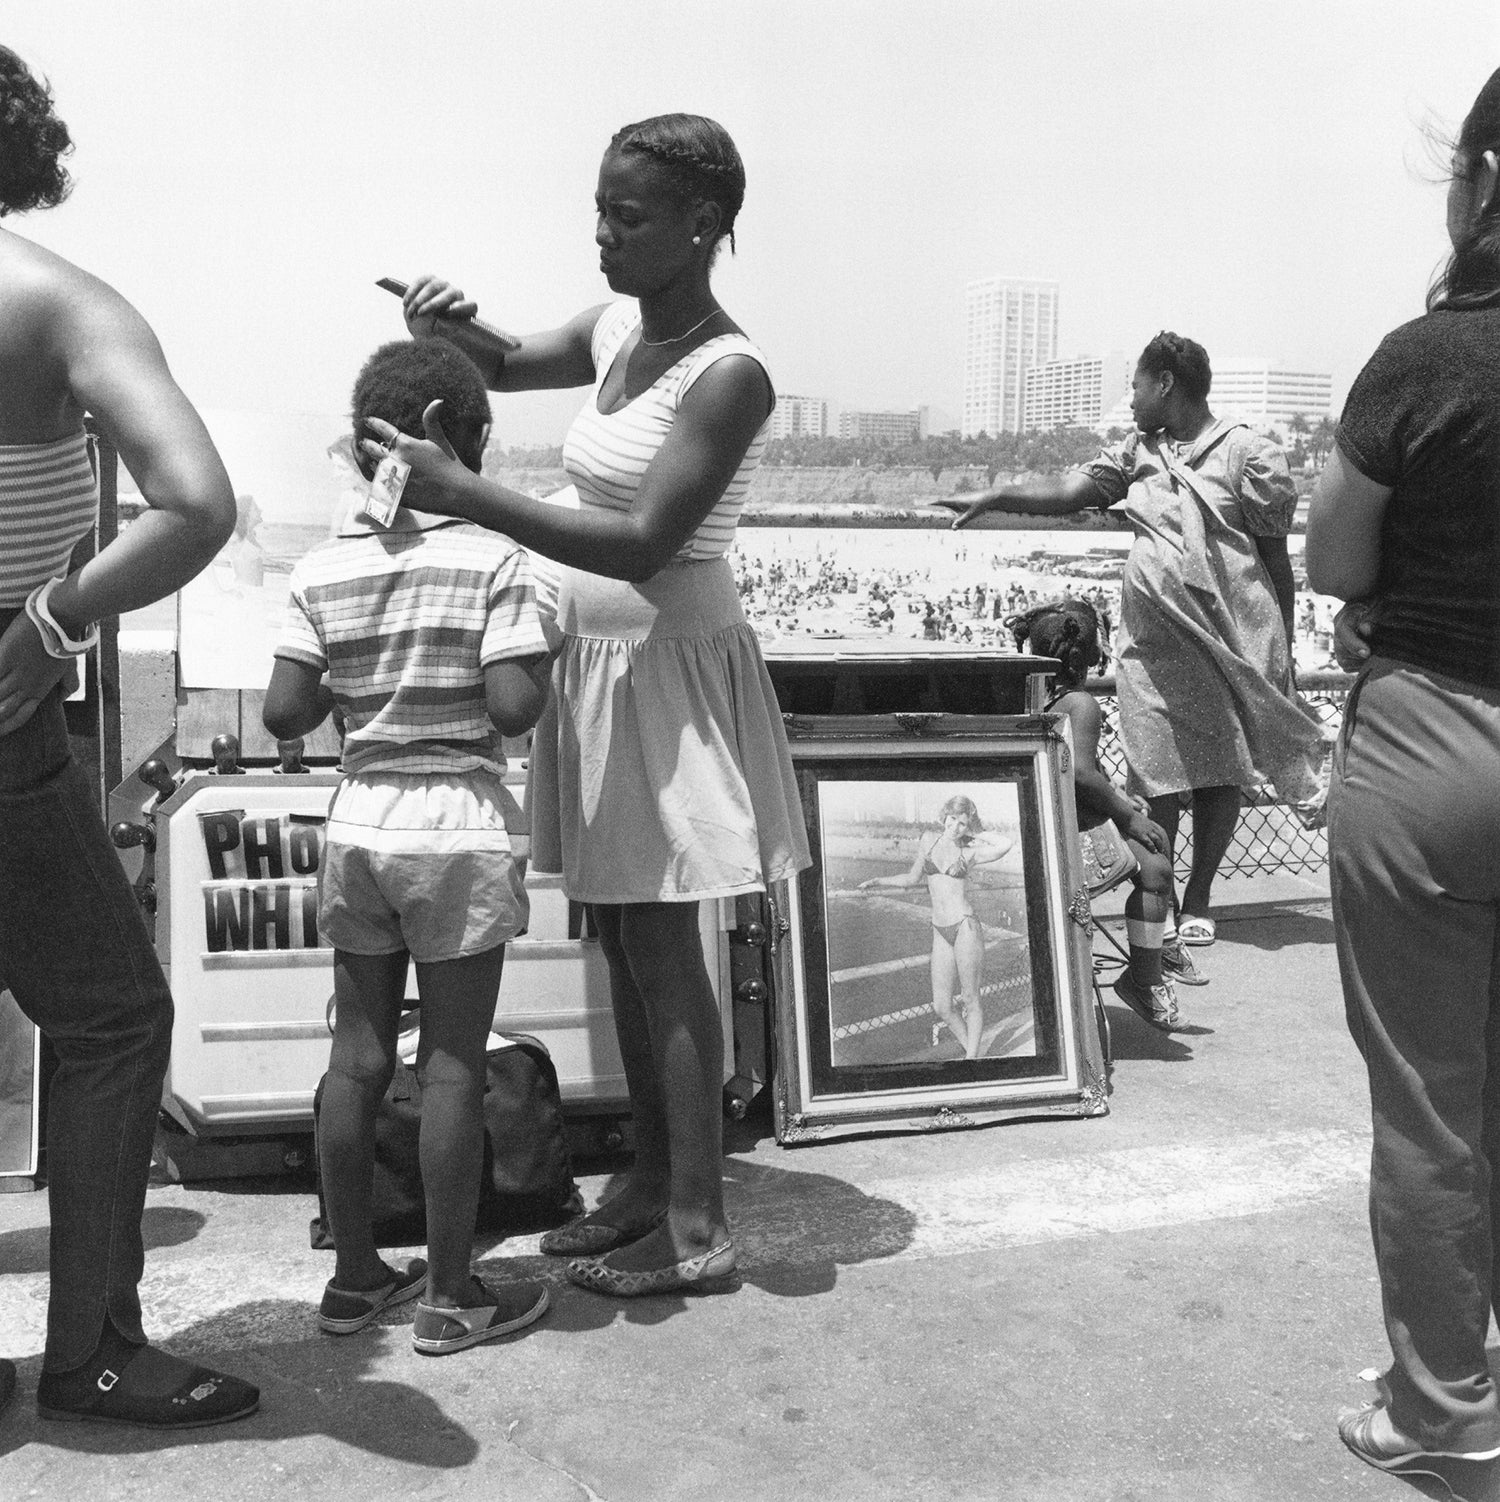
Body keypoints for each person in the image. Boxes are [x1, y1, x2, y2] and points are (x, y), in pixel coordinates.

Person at [361, 113, 810, 1298]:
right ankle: (651, 1182)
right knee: (620, 926)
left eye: (630, 214)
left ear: (704, 226)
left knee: (664, 941)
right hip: (604, 668)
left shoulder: (732, 374)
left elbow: (645, 539)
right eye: (599, 209)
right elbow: (503, 362)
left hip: (665, 669)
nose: (603, 232)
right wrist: (444, 328)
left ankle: (700, 1219)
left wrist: (475, 493)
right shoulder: (619, 326)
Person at [0, 46, 258, 1427]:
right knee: (108, 1017)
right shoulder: (52, 300)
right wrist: (47, 628)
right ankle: (93, 1346)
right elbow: (195, 503)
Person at [263, 340, 553, 1354]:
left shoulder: (322, 566)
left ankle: (352, 1279)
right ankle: (451, 1290)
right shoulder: (495, 560)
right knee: (453, 1066)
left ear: (358, 453)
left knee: (355, 1056)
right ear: (464, 439)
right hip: (457, 827)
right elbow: (515, 709)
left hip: (359, 822)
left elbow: (286, 710)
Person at [1306, 65, 1500, 1475]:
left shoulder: (1426, 359)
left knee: (1432, 1102)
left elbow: (1333, 560)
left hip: (1434, 740)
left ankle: (1444, 1414)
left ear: (1480, 185)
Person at [945, 332, 1329, 954]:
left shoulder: (1248, 454)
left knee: (1220, 770)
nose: (1130, 399)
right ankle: (1162, 894)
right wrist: (996, 495)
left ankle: (1199, 895)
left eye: (1136, 386)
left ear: (1165, 384)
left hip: (1228, 638)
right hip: (1152, 644)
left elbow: (1273, 559)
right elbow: (1072, 490)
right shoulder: (1136, 452)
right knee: (1157, 773)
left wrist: (1279, 650)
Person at [1007, 599, 1184, 1032]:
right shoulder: (1081, 704)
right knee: (1157, 865)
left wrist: (1120, 800)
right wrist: (1127, 815)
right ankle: (1144, 977)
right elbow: (1084, 774)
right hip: (1074, 831)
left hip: (1038, 822)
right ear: (1092, 656)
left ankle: (1159, 960)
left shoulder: (1028, 696)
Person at [857, 795, 1013, 1058]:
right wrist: (877, 880)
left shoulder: (969, 851)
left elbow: (1006, 844)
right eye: (952, 819)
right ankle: (974, 1054)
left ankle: (972, 1060)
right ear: (944, 817)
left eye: (962, 824)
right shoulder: (928, 840)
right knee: (942, 1006)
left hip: (965, 927)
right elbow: (911, 878)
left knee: (970, 999)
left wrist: (977, 831)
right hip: (939, 930)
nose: (955, 827)